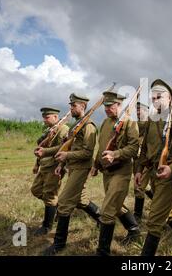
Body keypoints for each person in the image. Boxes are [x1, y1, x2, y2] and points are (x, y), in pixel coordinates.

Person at [134, 79, 172, 256]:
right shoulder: (152, 118)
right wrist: (139, 169)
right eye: (152, 98)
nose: (155, 100)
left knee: (154, 219)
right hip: (151, 172)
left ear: (169, 97)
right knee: (168, 212)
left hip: (170, 175)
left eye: (158, 97)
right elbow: (144, 147)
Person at [43, 93, 101, 255]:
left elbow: (87, 153)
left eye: (73, 105)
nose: (70, 108)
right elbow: (67, 147)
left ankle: (59, 244)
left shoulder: (88, 126)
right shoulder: (76, 125)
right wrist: (61, 164)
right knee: (81, 200)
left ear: (82, 106)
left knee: (64, 202)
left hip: (81, 168)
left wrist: (66, 157)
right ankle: (101, 219)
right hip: (72, 167)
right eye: (71, 105)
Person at [92, 90, 140, 256]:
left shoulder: (129, 123)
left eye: (110, 106)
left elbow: (134, 148)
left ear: (119, 105)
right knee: (116, 205)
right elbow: (102, 147)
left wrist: (116, 154)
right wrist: (96, 164)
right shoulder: (105, 123)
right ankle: (134, 229)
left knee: (107, 210)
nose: (106, 109)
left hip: (121, 171)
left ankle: (102, 251)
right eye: (105, 106)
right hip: (107, 172)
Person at [31, 107, 69, 236]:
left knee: (49, 195)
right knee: (35, 190)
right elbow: (41, 147)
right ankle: (57, 206)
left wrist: (61, 166)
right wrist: (36, 164)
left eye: (47, 117)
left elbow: (64, 148)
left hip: (54, 167)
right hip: (44, 166)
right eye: (44, 117)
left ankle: (47, 226)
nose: (44, 120)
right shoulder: (49, 130)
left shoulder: (64, 130)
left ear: (56, 117)